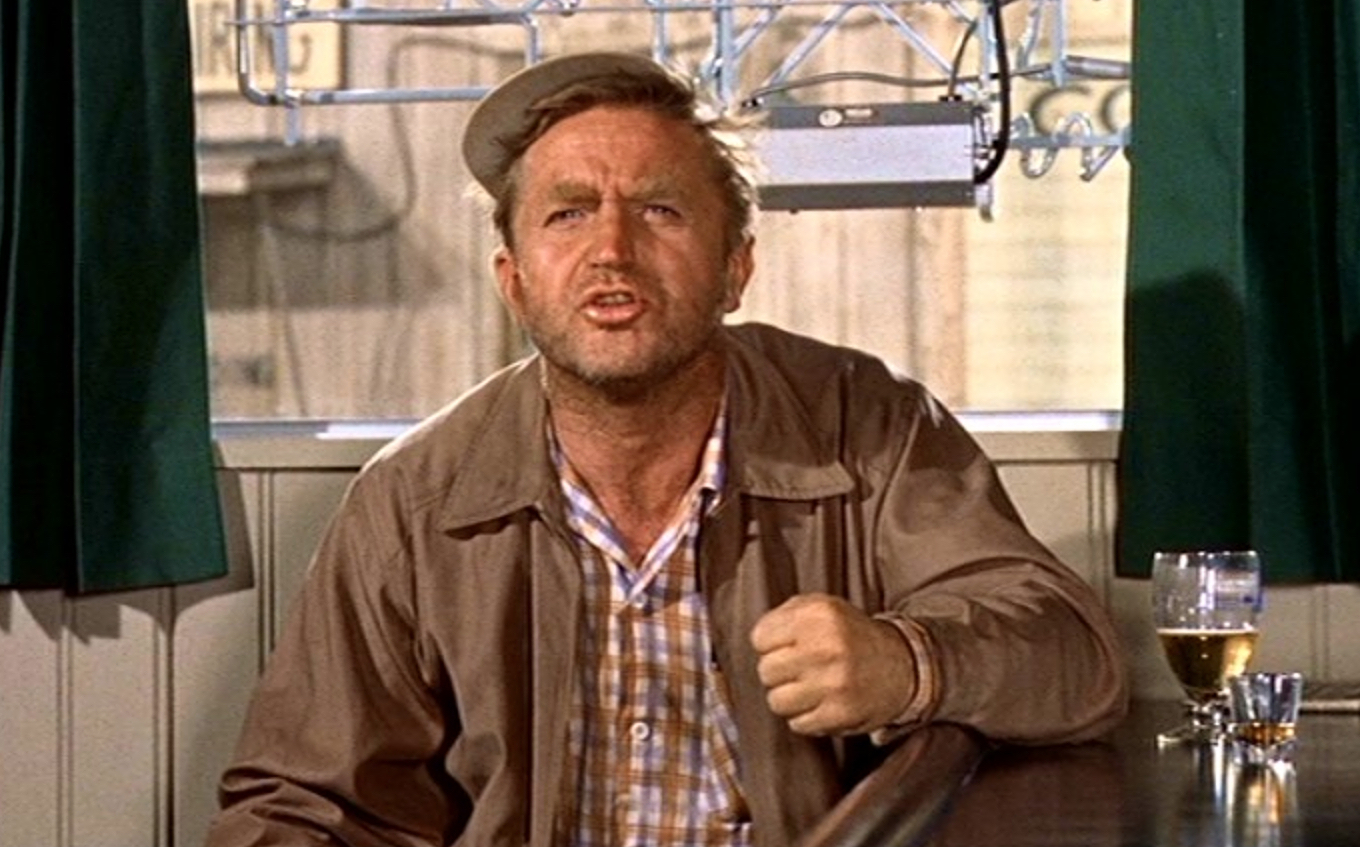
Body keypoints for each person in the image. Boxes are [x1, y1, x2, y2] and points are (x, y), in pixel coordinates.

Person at [205, 50, 1129, 847]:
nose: (612, 250)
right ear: (514, 283)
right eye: (568, 214)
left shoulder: (869, 427)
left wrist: (908, 664)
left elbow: (1075, 656)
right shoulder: (413, 501)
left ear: (736, 268)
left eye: (659, 210)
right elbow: (303, 805)